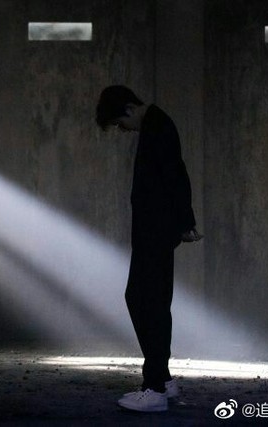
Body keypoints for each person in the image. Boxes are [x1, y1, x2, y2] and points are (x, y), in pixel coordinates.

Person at [95, 85, 202, 412]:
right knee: (147, 301)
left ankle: (154, 387)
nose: (123, 130)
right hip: (153, 232)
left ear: (129, 108)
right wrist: (182, 222)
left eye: (119, 123)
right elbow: (174, 175)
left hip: (156, 233)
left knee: (148, 303)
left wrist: (185, 222)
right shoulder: (156, 125)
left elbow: (176, 175)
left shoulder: (158, 127)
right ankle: (163, 380)